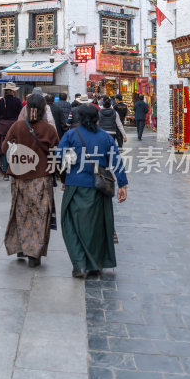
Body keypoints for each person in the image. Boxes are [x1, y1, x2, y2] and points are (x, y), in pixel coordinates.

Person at [58, 104, 128, 278]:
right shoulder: (105, 138)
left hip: (75, 185)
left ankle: (79, 265)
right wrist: (123, 185)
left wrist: (64, 176)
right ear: (97, 117)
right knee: (96, 227)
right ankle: (94, 264)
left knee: (71, 225)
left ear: (79, 118)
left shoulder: (71, 135)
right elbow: (117, 161)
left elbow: (59, 157)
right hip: (99, 187)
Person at [1, 94, 60, 268]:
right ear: (44, 109)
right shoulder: (49, 129)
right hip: (41, 178)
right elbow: (56, 154)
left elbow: (5, 148)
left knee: (20, 212)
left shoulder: (17, 126)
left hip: (19, 178)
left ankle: (20, 247)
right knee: (39, 216)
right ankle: (34, 254)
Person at [0, 82, 23, 180]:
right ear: (12, 91)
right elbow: (21, 116)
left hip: (3, 128)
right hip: (15, 127)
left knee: (4, 149)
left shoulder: (1, 102)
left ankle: (5, 172)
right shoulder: (18, 101)